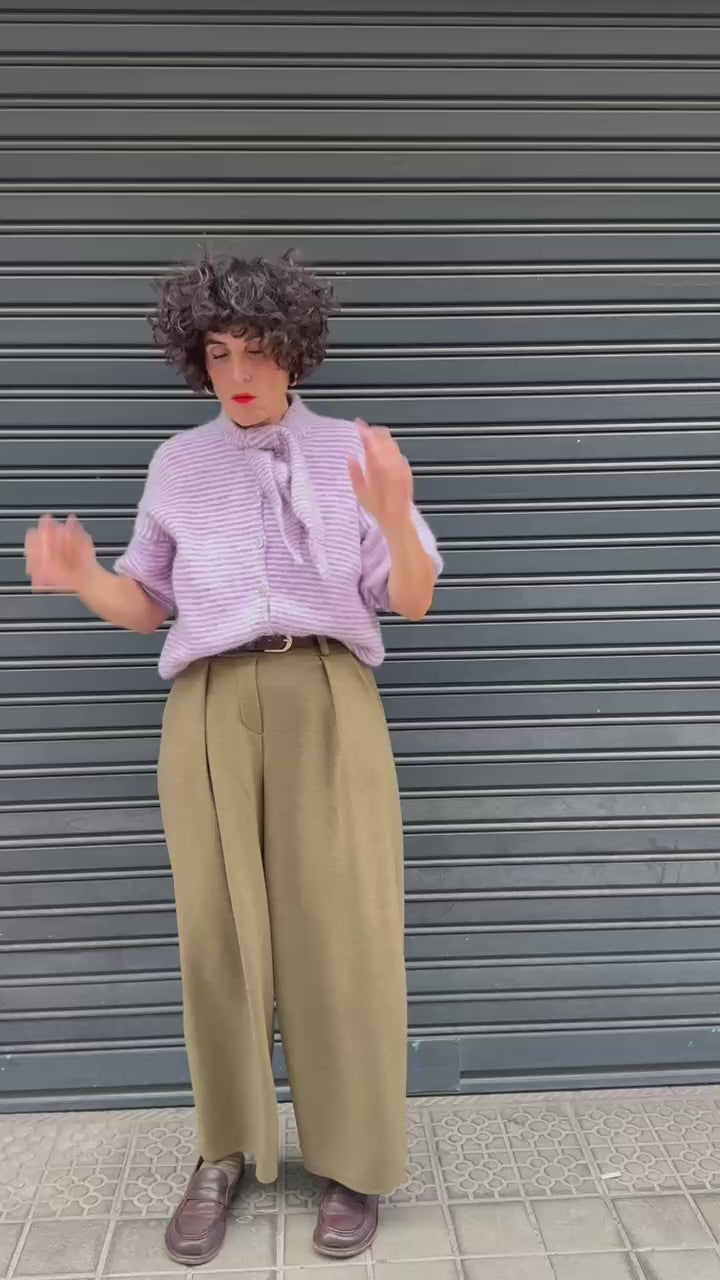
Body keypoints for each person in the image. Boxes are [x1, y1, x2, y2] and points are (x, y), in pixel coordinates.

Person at [24, 250, 442, 1267]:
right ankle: (225, 1150)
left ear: (295, 350)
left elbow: (414, 597)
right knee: (216, 933)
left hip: (329, 695)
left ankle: (352, 1159)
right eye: (218, 353)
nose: (239, 372)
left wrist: (393, 514)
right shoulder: (177, 463)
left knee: (344, 930)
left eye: (257, 350)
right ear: (196, 361)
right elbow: (148, 603)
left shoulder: (352, 453)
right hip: (209, 705)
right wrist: (85, 579)